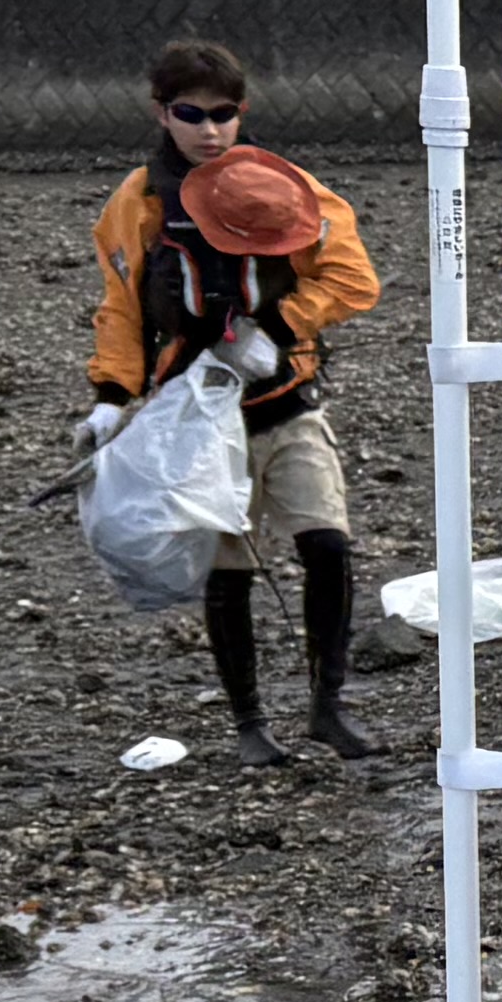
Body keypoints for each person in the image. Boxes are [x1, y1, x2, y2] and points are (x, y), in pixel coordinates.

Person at [83, 40, 384, 764]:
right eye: (191, 114)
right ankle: (250, 725)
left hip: (288, 398)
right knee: (229, 570)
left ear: (242, 113)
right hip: (196, 418)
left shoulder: (289, 188)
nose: (209, 130)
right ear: (163, 113)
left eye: (224, 114)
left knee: (328, 545)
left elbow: (352, 278)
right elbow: (122, 308)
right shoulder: (139, 203)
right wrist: (109, 395)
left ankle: (326, 706)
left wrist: (278, 326)